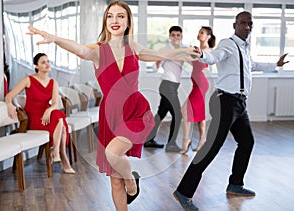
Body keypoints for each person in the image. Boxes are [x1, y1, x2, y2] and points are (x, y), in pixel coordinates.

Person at [26, 1, 195, 210]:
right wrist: (54, 39)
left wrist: (184, 50)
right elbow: (77, 48)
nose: (115, 21)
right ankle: (127, 187)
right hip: (111, 115)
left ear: (127, 22)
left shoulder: (133, 46)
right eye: (110, 16)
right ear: (105, 21)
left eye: (120, 16)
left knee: (114, 154)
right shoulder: (98, 51)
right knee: (115, 180)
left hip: (136, 111)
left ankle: (132, 183)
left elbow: (157, 55)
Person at [173, 11, 289, 211]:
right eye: (243, 23)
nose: (247, 27)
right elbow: (213, 56)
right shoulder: (228, 43)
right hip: (224, 102)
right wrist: (201, 54)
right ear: (234, 24)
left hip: (239, 104)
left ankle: (236, 183)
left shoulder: (244, 49)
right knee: (211, 148)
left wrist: (275, 65)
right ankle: (184, 191)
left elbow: (252, 65)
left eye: (250, 24)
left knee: (247, 142)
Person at [5, 53, 75, 174]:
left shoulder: (53, 82)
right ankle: (61, 156)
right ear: (36, 66)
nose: (47, 64)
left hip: (46, 115)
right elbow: (9, 96)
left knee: (59, 118)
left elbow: (55, 103)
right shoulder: (28, 80)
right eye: (43, 62)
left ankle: (57, 152)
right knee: (61, 121)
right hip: (34, 117)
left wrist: (48, 110)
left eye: (48, 61)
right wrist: (9, 104)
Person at [144, 26, 184, 152]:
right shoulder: (165, 50)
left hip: (174, 86)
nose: (175, 37)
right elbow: (156, 68)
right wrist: (158, 60)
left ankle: (148, 140)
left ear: (181, 36)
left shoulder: (183, 50)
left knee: (161, 113)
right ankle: (171, 144)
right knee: (177, 115)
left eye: (178, 35)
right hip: (168, 86)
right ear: (169, 36)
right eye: (173, 35)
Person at [180, 26, 216, 154]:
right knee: (199, 112)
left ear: (208, 37)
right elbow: (193, 63)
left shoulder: (207, 51)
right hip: (196, 84)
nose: (199, 34)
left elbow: (194, 60)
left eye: (202, 33)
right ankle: (202, 139)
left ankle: (186, 141)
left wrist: (181, 56)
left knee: (185, 110)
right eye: (199, 32)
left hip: (201, 84)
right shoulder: (198, 50)